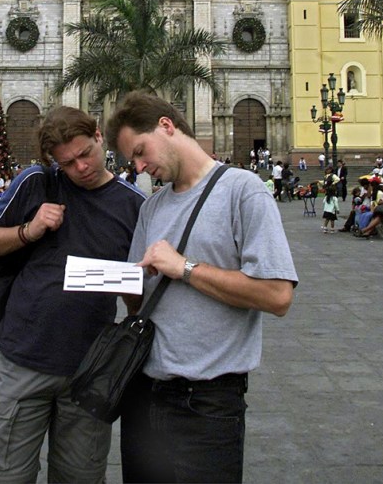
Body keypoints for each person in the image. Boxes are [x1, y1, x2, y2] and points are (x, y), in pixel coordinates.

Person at [105, 91, 297, 484]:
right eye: (132, 161)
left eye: (141, 151)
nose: (139, 166)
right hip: (143, 392)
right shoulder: (151, 208)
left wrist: (184, 268)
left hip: (207, 404)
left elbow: (277, 296)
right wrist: (113, 279)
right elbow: (139, 302)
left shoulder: (244, 190)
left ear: (166, 125)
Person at [0, 105, 144, 484]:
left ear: (99, 135)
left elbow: (137, 296)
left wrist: (134, 286)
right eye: (67, 163)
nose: (80, 167)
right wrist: (29, 231)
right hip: (23, 360)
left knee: (80, 477)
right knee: (4, 476)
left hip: (89, 370)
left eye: (85, 154)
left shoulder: (134, 205)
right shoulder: (37, 182)